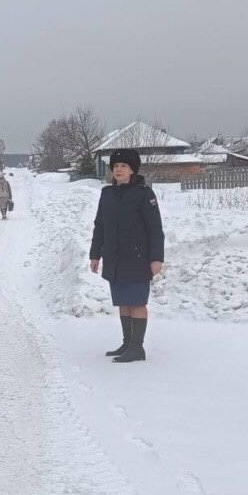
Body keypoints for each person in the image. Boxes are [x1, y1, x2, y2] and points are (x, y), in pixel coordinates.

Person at [89, 148, 164, 362]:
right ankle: (127, 343)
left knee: (137, 302)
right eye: (115, 166)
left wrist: (156, 258)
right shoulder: (107, 194)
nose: (118, 169)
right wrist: (95, 254)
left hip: (137, 257)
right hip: (115, 257)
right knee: (123, 301)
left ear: (132, 170)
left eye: (123, 166)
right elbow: (100, 226)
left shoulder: (144, 194)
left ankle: (137, 348)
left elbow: (155, 229)